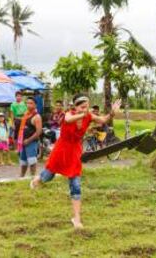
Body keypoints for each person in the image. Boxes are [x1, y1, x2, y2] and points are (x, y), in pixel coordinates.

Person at [30, 94, 121, 229]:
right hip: (61, 151)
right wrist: (82, 115)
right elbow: (68, 119)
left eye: (87, 106)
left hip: (74, 152)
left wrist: (112, 113)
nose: (86, 109)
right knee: (48, 176)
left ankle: (77, 218)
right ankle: (37, 180)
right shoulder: (69, 114)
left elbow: (103, 120)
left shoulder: (88, 116)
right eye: (82, 107)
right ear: (75, 107)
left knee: (76, 185)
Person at [18, 97, 42, 177]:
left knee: (32, 161)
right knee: (23, 162)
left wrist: (29, 140)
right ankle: (22, 177)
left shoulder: (37, 117)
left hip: (31, 142)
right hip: (23, 142)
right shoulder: (26, 114)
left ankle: (33, 177)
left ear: (35, 105)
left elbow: (39, 132)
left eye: (31, 103)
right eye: (27, 103)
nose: (28, 105)